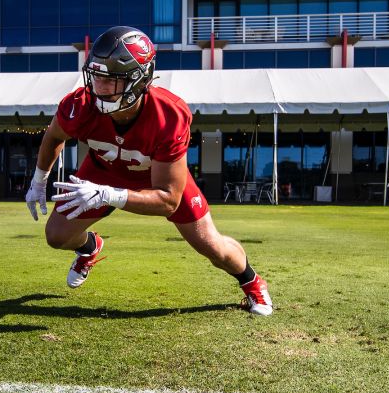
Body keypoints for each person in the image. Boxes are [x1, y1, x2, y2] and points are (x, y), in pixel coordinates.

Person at [25, 26, 273, 316]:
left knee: (213, 248)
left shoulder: (168, 114)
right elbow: (54, 137)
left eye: (110, 80)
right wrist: (38, 180)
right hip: (102, 170)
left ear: (139, 80)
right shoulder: (79, 105)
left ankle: (252, 282)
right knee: (56, 236)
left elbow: (168, 199)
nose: (99, 87)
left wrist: (108, 195)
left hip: (157, 179)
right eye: (96, 77)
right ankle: (89, 246)